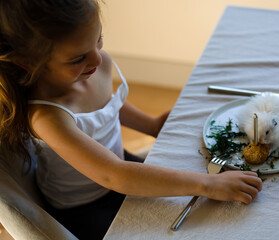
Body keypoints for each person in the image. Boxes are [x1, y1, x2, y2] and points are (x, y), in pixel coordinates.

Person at [0, 0, 262, 239]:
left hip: (120, 164)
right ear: (27, 62)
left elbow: (110, 105)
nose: (97, 57)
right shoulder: (47, 116)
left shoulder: (97, 65)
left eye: (98, 39)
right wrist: (208, 185)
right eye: (78, 58)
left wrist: (151, 125)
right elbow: (114, 175)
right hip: (84, 206)